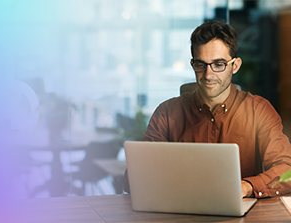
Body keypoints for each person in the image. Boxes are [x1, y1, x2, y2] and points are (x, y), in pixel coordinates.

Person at [123, 20, 291, 198]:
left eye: (219, 64)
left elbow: (287, 171)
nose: (208, 75)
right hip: (179, 211)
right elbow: (134, 177)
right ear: (193, 64)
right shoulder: (167, 113)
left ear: (235, 66)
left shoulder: (259, 111)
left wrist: (246, 187)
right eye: (200, 65)